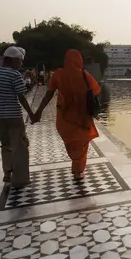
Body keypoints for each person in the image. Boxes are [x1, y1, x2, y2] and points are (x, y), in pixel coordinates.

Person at [34, 49, 101, 180]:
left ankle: (76, 166)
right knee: (81, 143)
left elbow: (49, 94)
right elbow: (96, 90)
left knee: (71, 143)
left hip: (64, 118)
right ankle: (78, 170)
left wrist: (39, 111)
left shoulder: (58, 74)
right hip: (82, 117)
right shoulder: (84, 75)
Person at [0, 46, 35, 188]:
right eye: (20, 61)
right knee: (20, 146)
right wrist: (31, 114)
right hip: (13, 116)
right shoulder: (14, 75)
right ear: (13, 60)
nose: (21, 64)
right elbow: (21, 97)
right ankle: (21, 179)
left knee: (6, 145)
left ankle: (7, 173)